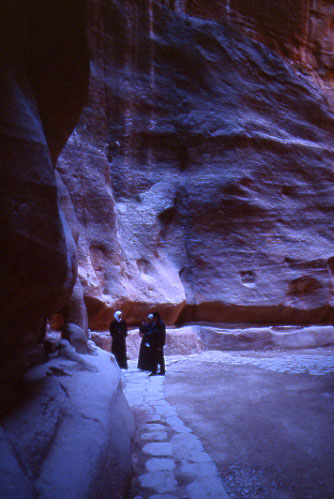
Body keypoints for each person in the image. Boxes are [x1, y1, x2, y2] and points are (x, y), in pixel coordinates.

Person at [149, 312, 166, 376]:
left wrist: (160, 345)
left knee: (160, 358)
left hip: (158, 344)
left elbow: (162, 335)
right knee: (153, 357)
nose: (153, 318)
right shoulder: (154, 323)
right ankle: (154, 370)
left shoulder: (161, 324)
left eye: (154, 317)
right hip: (153, 343)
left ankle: (162, 371)